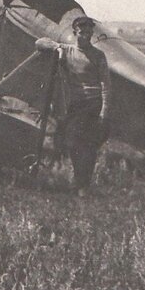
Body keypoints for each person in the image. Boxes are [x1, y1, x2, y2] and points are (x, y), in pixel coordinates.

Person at [35, 15, 112, 192]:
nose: (85, 36)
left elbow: (105, 84)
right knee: (72, 143)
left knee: (87, 145)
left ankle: (82, 186)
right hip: (76, 104)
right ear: (74, 33)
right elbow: (40, 43)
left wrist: (104, 112)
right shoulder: (68, 50)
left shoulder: (98, 56)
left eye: (89, 33)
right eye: (82, 33)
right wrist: (57, 48)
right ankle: (81, 183)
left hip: (93, 103)